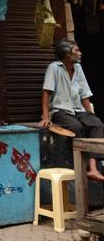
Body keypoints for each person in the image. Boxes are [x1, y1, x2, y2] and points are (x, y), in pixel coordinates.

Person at [40, 38, 104, 183]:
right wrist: (46, 117)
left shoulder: (78, 68)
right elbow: (46, 93)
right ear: (67, 54)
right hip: (60, 111)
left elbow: (85, 94)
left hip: (77, 110)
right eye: (76, 50)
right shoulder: (54, 68)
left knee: (97, 124)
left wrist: (90, 113)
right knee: (76, 128)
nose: (80, 53)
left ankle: (93, 168)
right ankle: (84, 168)